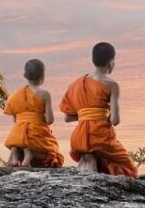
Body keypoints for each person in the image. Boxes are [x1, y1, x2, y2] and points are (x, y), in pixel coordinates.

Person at [59, 42, 137, 177]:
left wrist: (86, 115)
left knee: (93, 151)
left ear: (93, 60)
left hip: (78, 138)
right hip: (101, 137)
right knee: (131, 170)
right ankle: (96, 157)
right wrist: (100, 115)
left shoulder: (76, 84)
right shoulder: (111, 84)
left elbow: (67, 117)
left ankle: (91, 157)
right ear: (111, 61)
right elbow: (115, 120)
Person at [4, 59, 64, 167]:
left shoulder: (13, 97)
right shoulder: (44, 94)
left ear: (24, 75)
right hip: (36, 134)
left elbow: (15, 121)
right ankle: (31, 153)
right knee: (55, 157)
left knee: (20, 144)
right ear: (42, 76)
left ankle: (15, 152)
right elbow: (50, 120)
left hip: (16, 135)